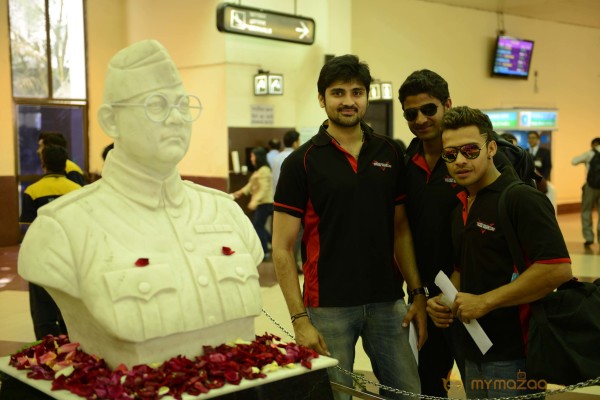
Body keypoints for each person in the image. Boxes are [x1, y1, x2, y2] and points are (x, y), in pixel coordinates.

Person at [18, 40, 264, 369]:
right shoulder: (62, 229)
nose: (177, 118)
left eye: (182, 105)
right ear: (111, 121)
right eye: (157, 105)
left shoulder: (226, 213)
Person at [273, 54, 426, 400]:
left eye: (357, 92)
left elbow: (401, 230)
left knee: (408, 394)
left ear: (367, 97)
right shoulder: (302, 162)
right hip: (328, 306)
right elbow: (281, 247)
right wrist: (299, 319)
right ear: (322, 99)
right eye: (338, 92)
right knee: (333, 397)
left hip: (388, 304)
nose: (348, 101)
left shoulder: (388, 151)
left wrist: (416, 293)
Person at [427, 106, 572, 399]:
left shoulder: (521, 198)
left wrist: (485, 302)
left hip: (515, 353)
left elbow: (556, 269)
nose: (460, 161)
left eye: (470, 150)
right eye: (451, 154)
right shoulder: (462, 206)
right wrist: (442, 301)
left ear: (491, 147)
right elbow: (463, 270)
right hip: (473, 349)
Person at [398, 69, 462, 397]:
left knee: (489, 381)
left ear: (447, 104)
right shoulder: (404, 163)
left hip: (473, 296)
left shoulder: (470, 159)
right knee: (429, 385)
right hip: (425, 299)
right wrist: (419, 293)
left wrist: (456, 289)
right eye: (411, 114)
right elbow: (401, 230)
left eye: (429, 109)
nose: (421, 119)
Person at [20, 145, 82, 340]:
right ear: (65, 165)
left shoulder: (33, 190)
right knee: (69, 305)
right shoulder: (77, 190)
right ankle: (71, 346)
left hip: (42, 257)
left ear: (43, 163)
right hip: (70, 258)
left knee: (42, 308)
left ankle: (46, 347)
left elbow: (27, 228)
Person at [232, 146, 274, 260]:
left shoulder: (264, 170)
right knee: (258, 225)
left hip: (265, 203)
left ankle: (265, 251)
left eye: (252, 156)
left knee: (257, 226)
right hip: (261, 203)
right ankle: (273, 244)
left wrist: (254, 202)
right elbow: (251, 185)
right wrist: (240, 192)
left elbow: (264, 189)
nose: (251, 158)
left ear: (258, 157)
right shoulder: (259, 170)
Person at [571, 137, 600, 246]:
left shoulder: (590, 153)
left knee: (586, 211)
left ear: (593, 144)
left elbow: (574, 161)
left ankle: (589, 238)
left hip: (591, 187)